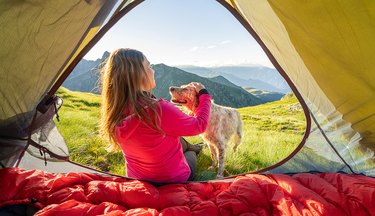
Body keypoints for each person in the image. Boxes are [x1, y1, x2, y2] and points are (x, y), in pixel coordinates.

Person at [100, 48, 211, 183]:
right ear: (138, 74)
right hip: (172, 179)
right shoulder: (158, 109)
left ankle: (194, 146)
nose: (153, 70)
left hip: (137, 178)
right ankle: (194, 149)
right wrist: (204, 94)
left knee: (175, 135)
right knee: (190, 154)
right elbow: (200, 125)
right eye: (149, 66)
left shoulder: (114, 111)